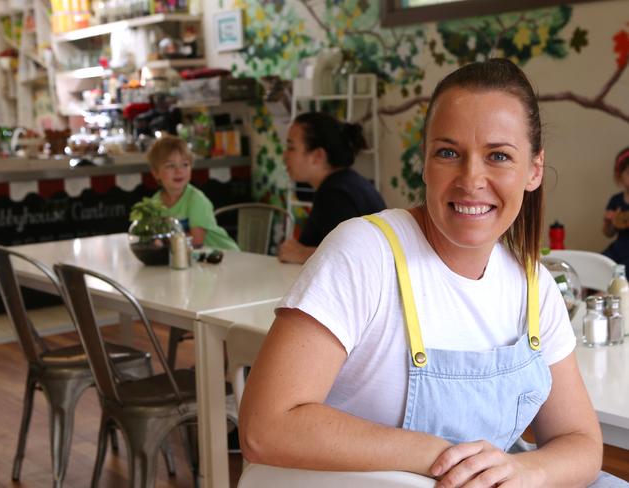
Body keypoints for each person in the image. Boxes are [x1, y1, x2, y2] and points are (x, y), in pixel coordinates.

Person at [240, 59, 628, 487]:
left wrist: (525, 470)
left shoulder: (532, 284)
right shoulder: (366, 253)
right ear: (423, 163)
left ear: (534, 170)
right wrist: (443, 456)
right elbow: (265, 426)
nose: (471, 179)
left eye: (498, 156)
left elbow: (581, 441)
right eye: (448, 153)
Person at [278, 112, 386, 264]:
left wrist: (302, 254)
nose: (284, 155)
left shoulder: (335, 196)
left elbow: (354, 258)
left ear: (318, 156)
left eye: (291, 147)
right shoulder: (345, 183)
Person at [147, 136, 239, 250]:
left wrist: (162, 242)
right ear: (156, 173)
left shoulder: (196, 199)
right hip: (192, 260)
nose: (179, 171)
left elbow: (196, 241)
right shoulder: (155, 203)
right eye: (170, 166)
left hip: (225, 257)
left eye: (185, 164)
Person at [602, 146, 629, 268]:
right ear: (620, 175)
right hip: (619, 248)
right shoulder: (616, 200)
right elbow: (608, 233)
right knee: (601, 263)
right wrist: (609, 221)